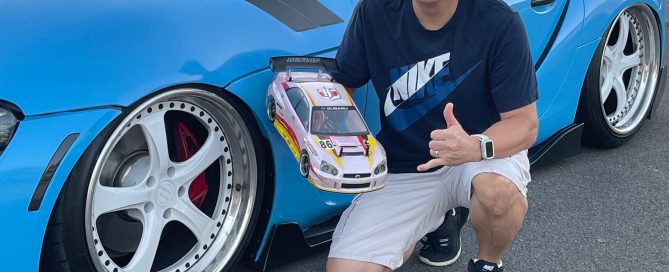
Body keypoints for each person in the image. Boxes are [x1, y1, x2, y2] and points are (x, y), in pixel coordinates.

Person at [326, 0, 538, 271]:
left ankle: (487, 264)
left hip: (479, 157)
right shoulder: (373, 10)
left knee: (498, 194)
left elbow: (524, 123)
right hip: (407, 164)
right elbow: (342, 85)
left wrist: (475, 146)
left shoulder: (499, 20)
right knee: (347, 269)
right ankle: (429, 222)